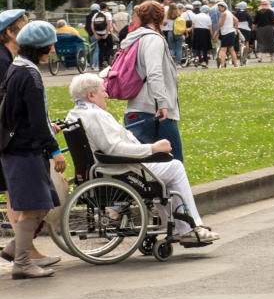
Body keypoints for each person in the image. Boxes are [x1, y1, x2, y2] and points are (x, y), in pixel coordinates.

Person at [67, 73, 218, 245]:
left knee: (164, 172)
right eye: (103, 91)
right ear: (91, 95)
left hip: (106, 169)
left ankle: (179, 228)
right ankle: (190, 228)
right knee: (174, 167)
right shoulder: (96, 115)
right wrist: (152, 148)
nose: (107, 95)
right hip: (119, 169)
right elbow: (115, 149)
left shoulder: (75, 114)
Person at [0, 21, 65, 279]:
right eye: (50, 46)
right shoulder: (32, 75)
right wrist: (55, 150)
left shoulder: (17, 67)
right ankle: (23, 263)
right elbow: (37, 120)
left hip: (15, 146)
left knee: (43, 202)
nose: (52, 51)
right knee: (33, 205)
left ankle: (16, 248)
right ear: (41, 48)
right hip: (24, 149)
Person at [120, 1, 187, 161]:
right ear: (161, 17)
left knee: (146, 165)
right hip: (154, 111)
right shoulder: (153, 39)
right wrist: (162, 103)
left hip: (136, 109)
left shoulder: (135, 38)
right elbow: (154, 72)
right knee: (174, 161)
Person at [214, 1, 240, 68]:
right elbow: (236, 20)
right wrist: (236, 28)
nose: (219, 9)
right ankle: (236, 64)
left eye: (220, 7)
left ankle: (222, 65)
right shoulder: (229, 13)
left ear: (224, 7)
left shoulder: (224, 13)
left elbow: (221, 24)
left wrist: (216, 32)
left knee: (223, 49)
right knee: (231, 49)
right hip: (231, 31)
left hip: (226, 32)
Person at [190, 3, 213, 68]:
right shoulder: (208, 17)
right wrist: (212, 35)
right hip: (205, 32)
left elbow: (193, 26)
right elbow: (210, 27)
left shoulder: (195, 16)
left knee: (198, 46)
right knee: (205, 48)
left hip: (197, 31)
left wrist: (193, 34)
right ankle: (204, 62)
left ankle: (197, 57)